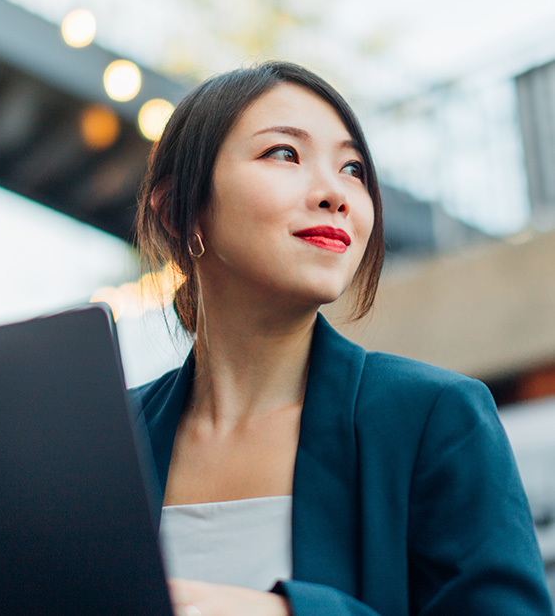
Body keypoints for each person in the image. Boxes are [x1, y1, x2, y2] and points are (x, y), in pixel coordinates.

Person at [132, 61, 554, 616]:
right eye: (284, 153)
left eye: (352, 168)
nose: (336, 193)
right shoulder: (114, 439)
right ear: (178, 212)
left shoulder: (434, 416)